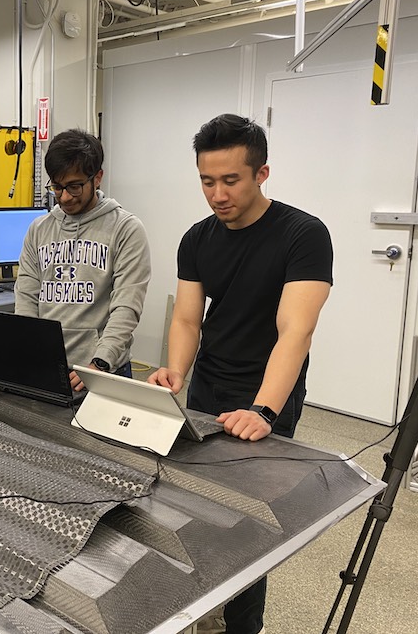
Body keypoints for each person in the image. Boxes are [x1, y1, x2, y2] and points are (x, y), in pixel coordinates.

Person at [148, 113, 333, 634]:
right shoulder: (197, 238)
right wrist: (175, 371)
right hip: (207, 386)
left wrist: (264, 410)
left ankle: (242, 626)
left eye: (231, 180)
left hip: (266, 395)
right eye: (207, 181)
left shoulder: (304, 235)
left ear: (261, 173)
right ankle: (196, 611)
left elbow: (295, 330)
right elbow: (187, 317)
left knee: (247, 525)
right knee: (191, 507)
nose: (217, 194)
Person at [15, 128, 151, 391]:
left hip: (103, 370)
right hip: (48, 365)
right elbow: (26, 297)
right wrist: (31, 351)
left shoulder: (126, 229)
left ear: (97, 178)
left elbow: (126, 307)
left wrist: (100, 363)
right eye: (57, 186)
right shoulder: (39, 229)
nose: (64, 197)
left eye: (74, 186)